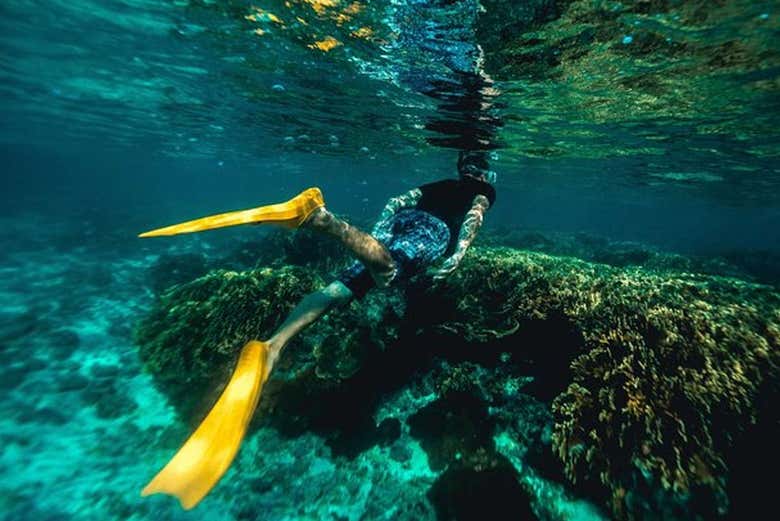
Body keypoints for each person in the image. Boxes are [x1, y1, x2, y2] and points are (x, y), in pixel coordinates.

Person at [138, 151, 496, 509]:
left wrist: (382, 229)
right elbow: (472, 222)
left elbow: (397, 201)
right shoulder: (484, 192)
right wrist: (458, 254)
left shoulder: (444, 184)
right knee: (388, 273)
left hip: (405, 220)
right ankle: (318, 219)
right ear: (485, 169)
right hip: (435, 232)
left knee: (340, 290)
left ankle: (273, 346)